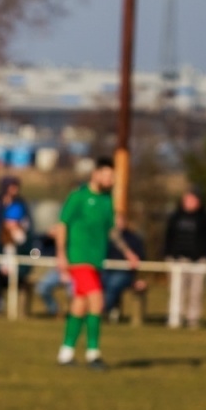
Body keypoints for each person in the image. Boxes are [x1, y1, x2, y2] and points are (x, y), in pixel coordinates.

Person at [55, 157, 139, 369]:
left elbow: (112, 231)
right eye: (108, 175)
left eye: (113, 177)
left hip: (95, 259)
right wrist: (61, 255)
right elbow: (62, 225)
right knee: (97, 300)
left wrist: (128, 252)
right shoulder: (78, 197)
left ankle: (66, 352)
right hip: (79, 258)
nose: (111, 180)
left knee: (80, 304)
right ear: (96, 174)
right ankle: (93, 353)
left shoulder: (106, 201)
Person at [162, 188, 206, 329]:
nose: (189, 202)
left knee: (196, 292)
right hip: (178, 259)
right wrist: (168, 255)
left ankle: (192, 319)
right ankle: (175, 317)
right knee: (177, 290)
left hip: (199, 261)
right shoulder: (175, 217)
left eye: (192, 200)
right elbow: (168, 238)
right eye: (187, 199)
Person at [0, 175, 32, 316]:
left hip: (17, 256)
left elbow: (27, 230)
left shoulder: (21, 204)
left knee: (12, 277)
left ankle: (13, 309)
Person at [101, 224, 146, 322]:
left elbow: (141, 259)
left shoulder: (133, 238)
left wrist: (141, 278)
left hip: (125, 273)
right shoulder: (105, 237)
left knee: (114, 283)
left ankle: (100, 310)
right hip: (106, 271)